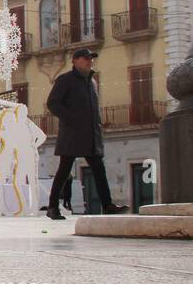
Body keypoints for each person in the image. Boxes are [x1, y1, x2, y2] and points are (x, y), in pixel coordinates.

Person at [44, 48, 129, 220]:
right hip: (72, 133)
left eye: (91, 58)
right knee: (64, 170)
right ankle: (53, 207)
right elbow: (52, 103)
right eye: (85, 58)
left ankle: (107, 205)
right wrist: (70, 118)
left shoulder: (93, 83)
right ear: (74, 61)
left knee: (99, 169)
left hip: (91, 134)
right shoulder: (65, 80)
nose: (90, 61)